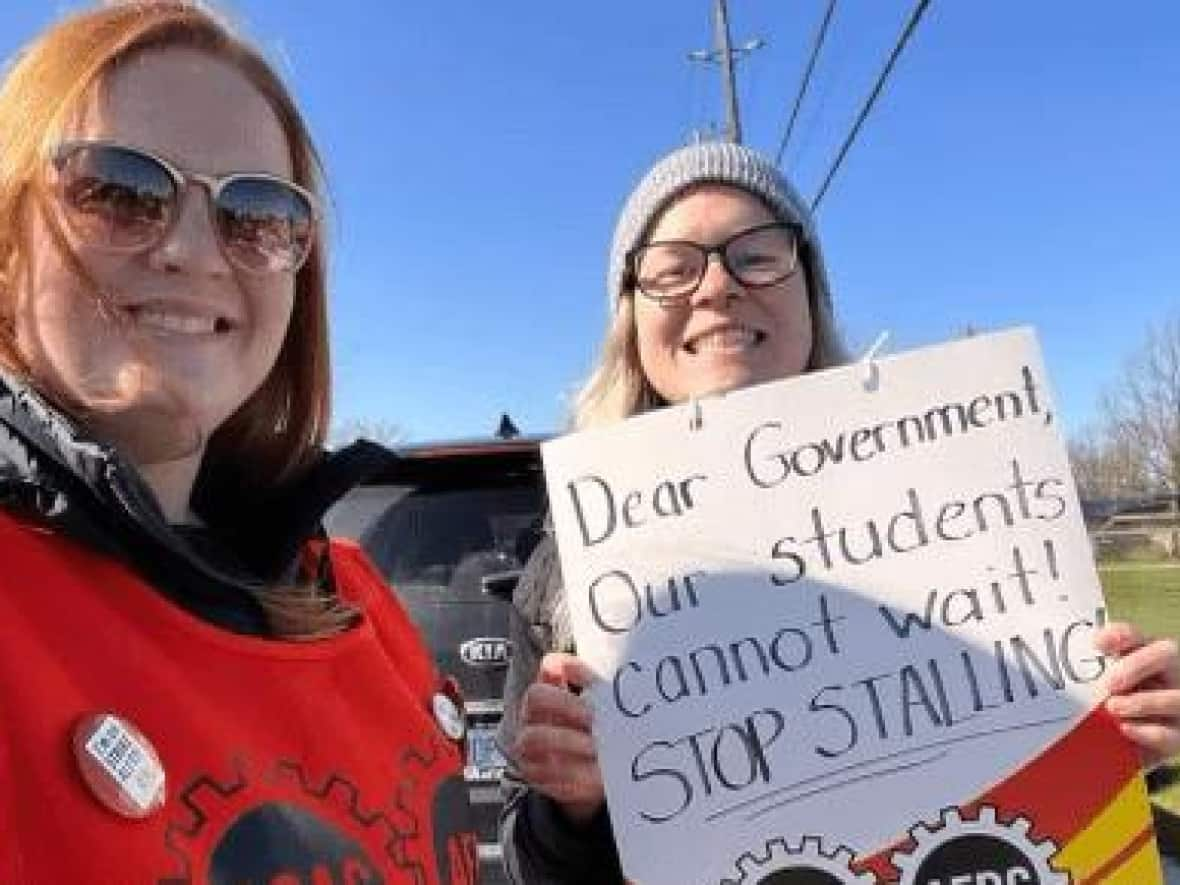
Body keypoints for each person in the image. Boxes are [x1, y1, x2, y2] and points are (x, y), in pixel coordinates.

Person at [496, 140, 1180, 883]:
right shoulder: (570, 569)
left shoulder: (966, 496)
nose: (717, 286)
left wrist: (1123, 734)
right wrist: (570, 809)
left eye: (757, 254)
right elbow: (529, 856)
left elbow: (1025, 770)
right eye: (671, 269)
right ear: (630, 319)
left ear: (811, 291)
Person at [0, 4, 476, 882]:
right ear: (7, 242)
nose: (192, 249)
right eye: (116, 188)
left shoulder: (352, 599)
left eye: (255, 212)